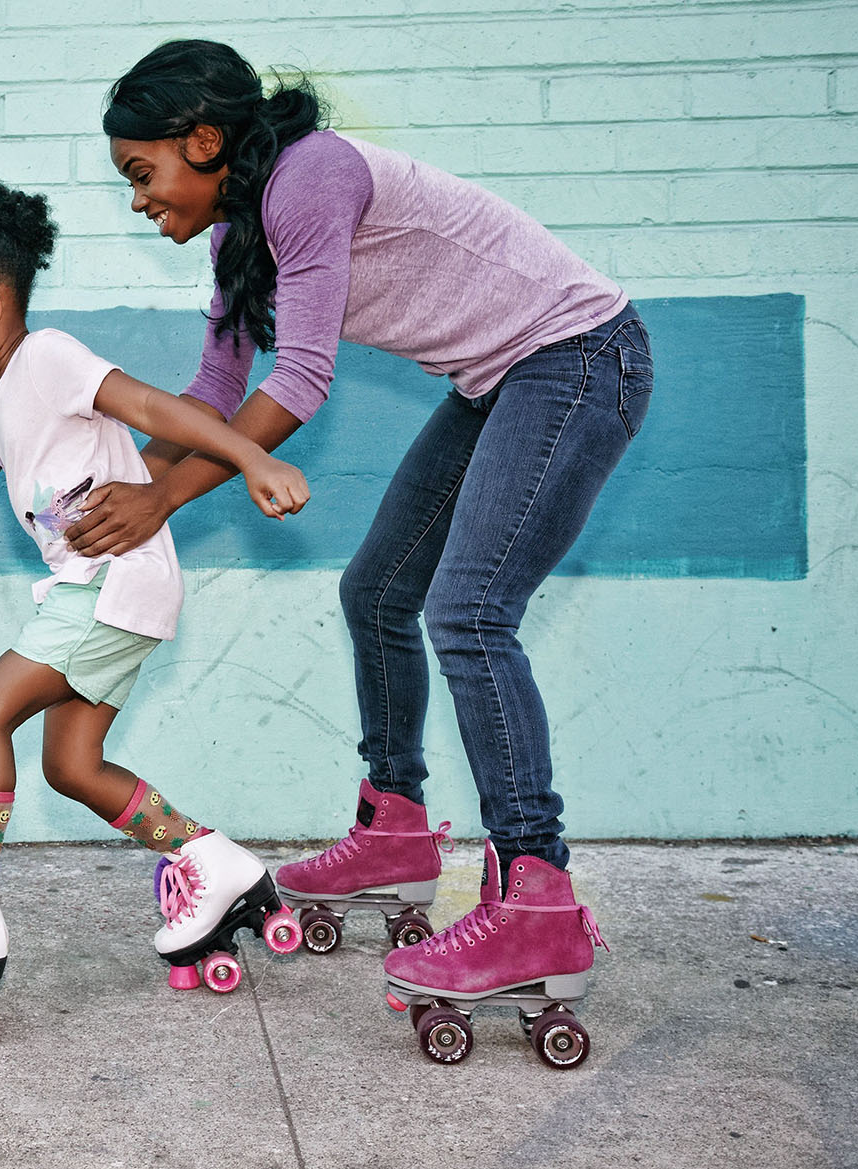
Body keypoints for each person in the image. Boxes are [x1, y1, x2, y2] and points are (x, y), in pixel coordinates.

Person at [80, 40, 636, 1039]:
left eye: (140, 173)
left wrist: (158, 505)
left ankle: (537, 898)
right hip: (500, 380)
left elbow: (295, 383)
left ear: (202, 140)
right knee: (377, 591)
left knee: (467, 613)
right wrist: (134, 487)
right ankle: (394, 828)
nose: (136, 199)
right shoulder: (236, 238)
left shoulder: (312, 178)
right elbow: (213, 395)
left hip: (576, 358)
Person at [0, 174, 312, 1040]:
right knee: (71, 768)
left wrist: (248, 458)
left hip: (112, 581)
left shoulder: (48, 358)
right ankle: (215, 862)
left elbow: (153, 407)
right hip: (110, 590)